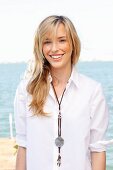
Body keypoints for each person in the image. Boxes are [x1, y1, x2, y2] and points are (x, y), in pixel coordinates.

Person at [14, 15, 109, 170]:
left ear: (73, 43)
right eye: (47, 42)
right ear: (40, 47)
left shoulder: (92, 91)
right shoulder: (26, 90)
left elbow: (97, 150)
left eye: (62, 40)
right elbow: (23, 145)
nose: (54, 48)